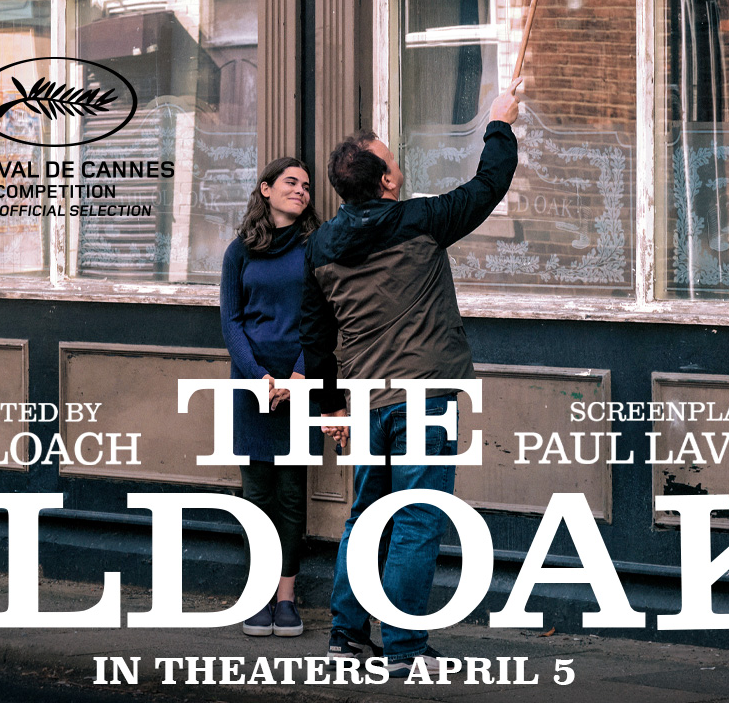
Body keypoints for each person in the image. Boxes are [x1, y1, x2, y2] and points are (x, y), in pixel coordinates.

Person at [299, 82, 521, 676]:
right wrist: (499, 122)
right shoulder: (421, 221)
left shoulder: (319, 249)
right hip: (423, 395)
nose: (399, 166)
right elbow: (489, 185)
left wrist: (332, 408)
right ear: (388, 182)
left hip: (368, 400)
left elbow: (316, 341)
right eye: (394, 160)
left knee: (365, 516)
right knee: (417, 518)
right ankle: (403, 648)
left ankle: (346, 636)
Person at [220, 156, 321, 638]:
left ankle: (286, 598)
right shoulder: (240, 252)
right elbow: (231, 321)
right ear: (265, 189)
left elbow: (324, 318)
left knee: (290, 494)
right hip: (252, 386)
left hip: (300, 385)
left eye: (306, 186)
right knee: (256, 494)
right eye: (290, 183)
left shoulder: (315, 248)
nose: (301, 191)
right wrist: (257, 376)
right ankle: (258, 594)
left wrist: (299, 373)